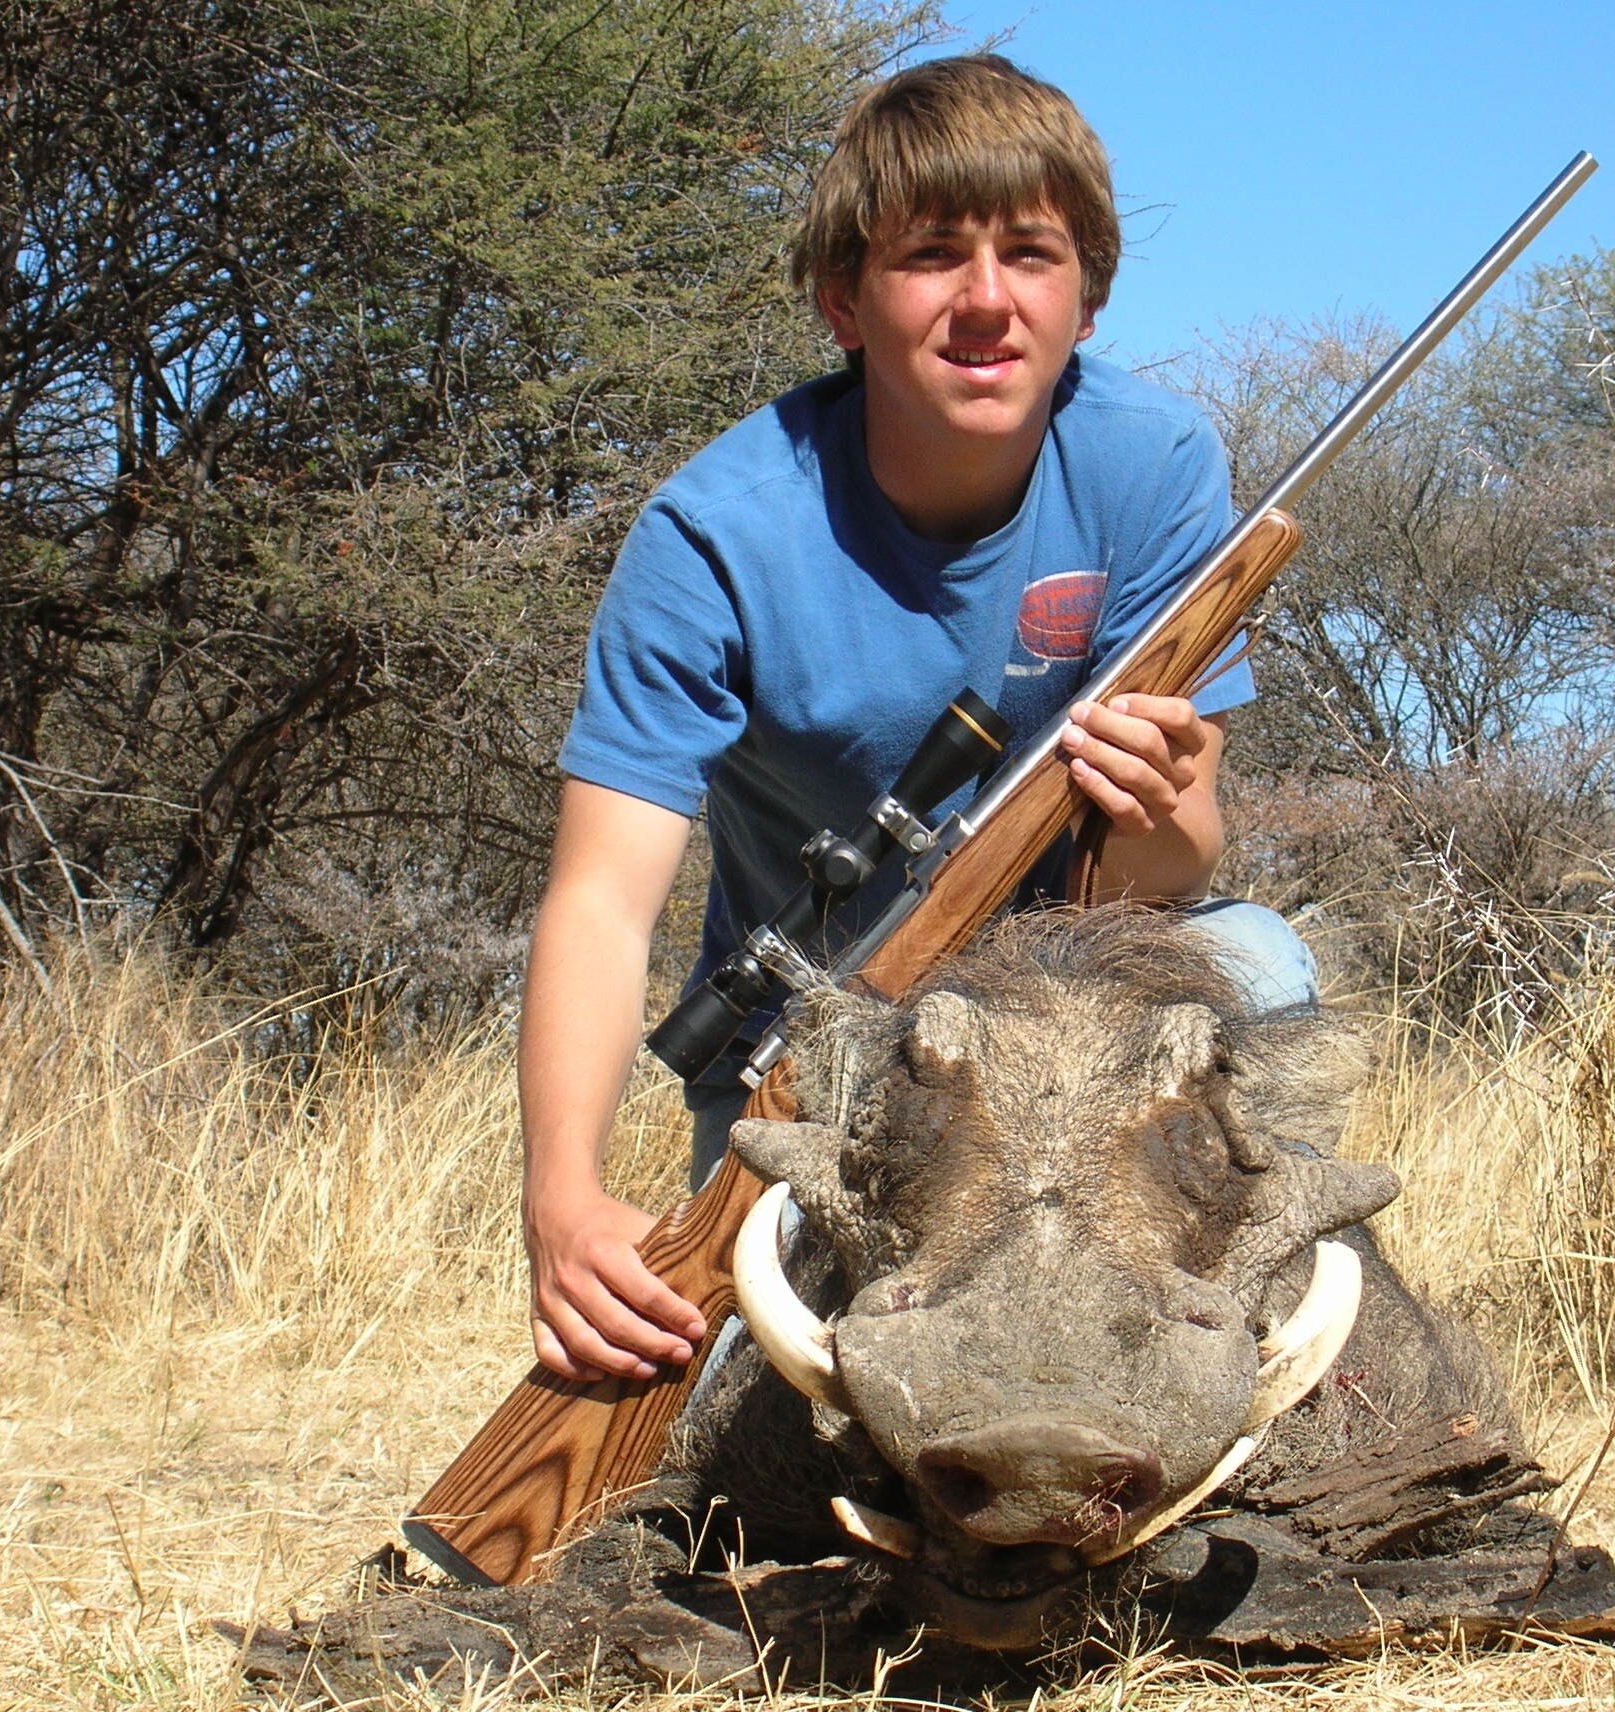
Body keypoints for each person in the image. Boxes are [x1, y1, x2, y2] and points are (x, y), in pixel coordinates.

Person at [518, 54, 1317, 1387]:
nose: (987, 301)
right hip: (821, 1053)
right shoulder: (711, 536)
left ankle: (1237, 1381)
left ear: (1089, 296)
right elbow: (602, 901)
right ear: (845, 300)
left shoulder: (1158, 466)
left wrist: (1165, 806)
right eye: (933, 256)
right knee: (732, 1410)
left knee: (1266, 964)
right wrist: (564, 1199)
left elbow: (1171, 881)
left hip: (1073, 1026)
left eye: (1031, 254)